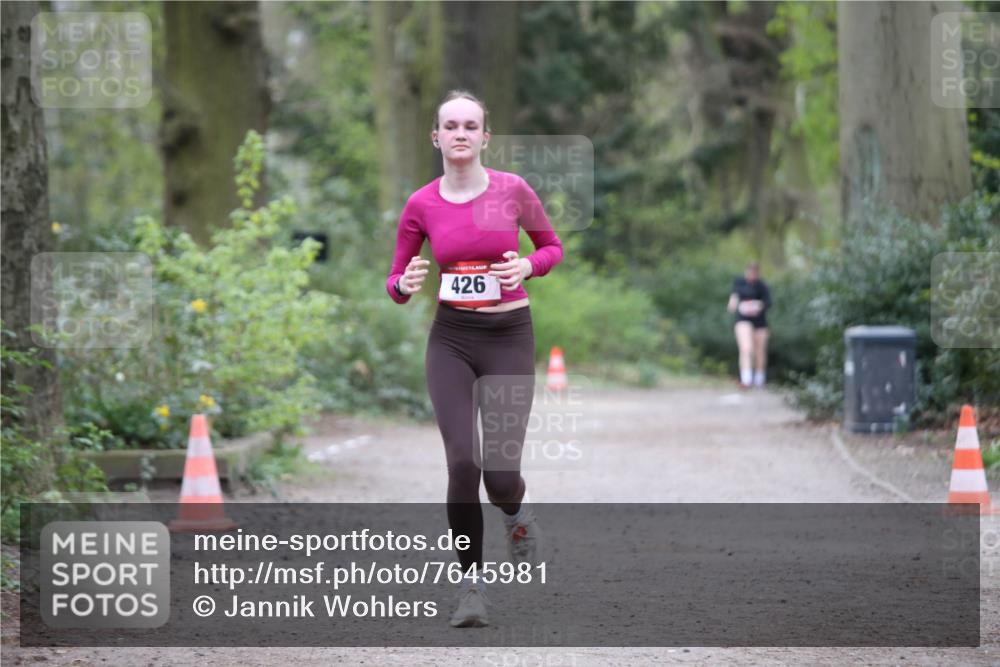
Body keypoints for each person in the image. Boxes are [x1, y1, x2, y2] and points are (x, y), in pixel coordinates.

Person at [385, 90, 564, 627]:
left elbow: (551, 247)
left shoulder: (512, 190)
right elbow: (395, 281)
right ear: (436, 137)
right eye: (450, 126)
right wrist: (405, 282)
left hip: (509, 336)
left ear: (485, 137)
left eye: (470, 126)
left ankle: (517, 515)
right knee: (463, 464)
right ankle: (470, 589)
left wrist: (527, 268)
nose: (460, 134)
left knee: (500, 475)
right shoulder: (422, 204)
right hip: (452, 340)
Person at [726, 262, 772, 388]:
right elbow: (734, 299)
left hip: (759, 322)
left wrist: (758, 305)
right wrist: (734, 305)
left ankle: (759, 379)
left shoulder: (762, 286)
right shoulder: (739, 283)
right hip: (743, 319)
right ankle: (746, 379)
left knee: (759, 351)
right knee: (746, 348)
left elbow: (768, 303)